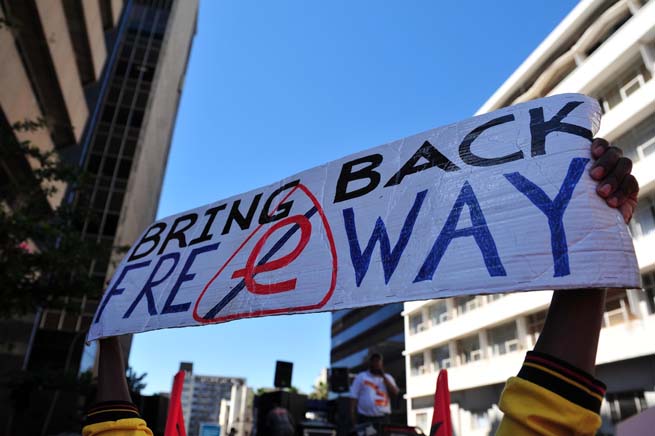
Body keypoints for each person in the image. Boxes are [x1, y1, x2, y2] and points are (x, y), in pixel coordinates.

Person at [82, 138, 639, 436]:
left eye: (375, 362)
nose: (374, 363)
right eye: (373, 362)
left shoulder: (383, 383)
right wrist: (587, 242)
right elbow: (545, 421)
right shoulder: (362, 387)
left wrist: (586, 227)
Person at [349, 352, 400, 426]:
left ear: (381, 364)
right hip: (365, 417)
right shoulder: (361, 377)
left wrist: (383, 376)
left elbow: (395, 392)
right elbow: (353, 396)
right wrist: (352, 415)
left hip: (382, 417)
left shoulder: (388, 377)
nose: (376, 364)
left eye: (378, 362)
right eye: (374, 361)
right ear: (370, 363)